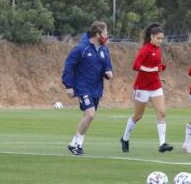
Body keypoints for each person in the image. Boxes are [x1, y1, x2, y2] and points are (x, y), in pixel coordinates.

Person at [120, 23, 172, 153]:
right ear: (152, 37)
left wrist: (159, 68)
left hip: (155, 86)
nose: (161, 41)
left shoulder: (158, 50)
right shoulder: (145, 49)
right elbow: (136, 66)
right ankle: (125, 138)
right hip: (142, 87)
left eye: (162, 39)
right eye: (159, 38)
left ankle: (162, 144)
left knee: (162, 113)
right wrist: (153, 69)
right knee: (137, 116)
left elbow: (155, 66)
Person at [62, 21, 113, 156]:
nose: (107, 36)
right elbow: (69, 67)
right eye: (105, 33)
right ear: (97, 34)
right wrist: (69, 86)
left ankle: (74, 143)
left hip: (97, 88)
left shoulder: (104, 49)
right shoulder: (81, 49)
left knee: (89, 116)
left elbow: (107, 66)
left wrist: (108, 73)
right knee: (90, 113)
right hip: (83, 87)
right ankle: (77, 144)